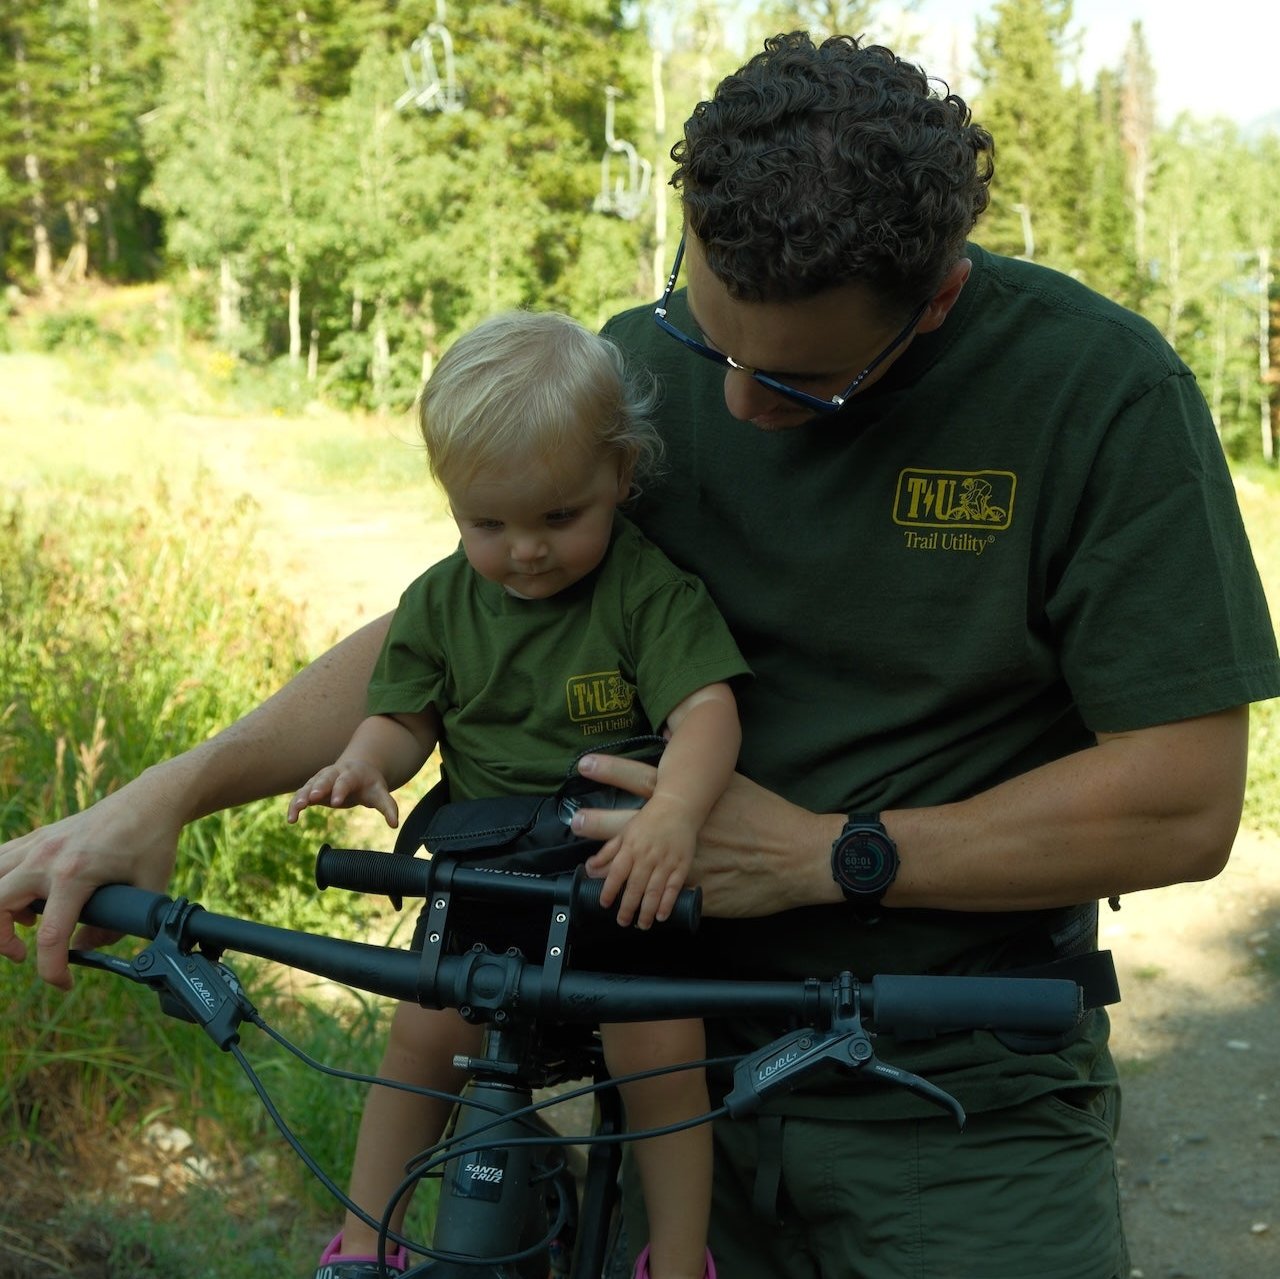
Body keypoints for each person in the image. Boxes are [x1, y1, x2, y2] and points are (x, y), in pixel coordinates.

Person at [3, 30, 1278, 1279]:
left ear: (935, 297)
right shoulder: (648, 360)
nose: (729, 406)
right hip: (657, 1064)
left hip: (952, 1086)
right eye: (703, 332)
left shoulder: (1095, 395)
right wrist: (161, 793)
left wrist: (822, 857)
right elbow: (456, 626)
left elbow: (1179, 800)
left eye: (802, 388)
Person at [294, 309, 745, 1279]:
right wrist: (367, 758)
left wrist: (673, 812)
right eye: (485, 523)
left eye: (556, 518)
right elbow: (407, 713)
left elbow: (707, 711)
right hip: (488, 867)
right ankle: (366, 1244)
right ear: (452, 502)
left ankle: (673, 1260)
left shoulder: (645, 592)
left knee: (662, 1049)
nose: (523, 551)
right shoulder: (441, 599)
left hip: (617, 866)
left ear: (621, 476)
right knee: (421, 1033)